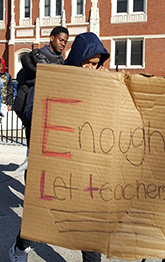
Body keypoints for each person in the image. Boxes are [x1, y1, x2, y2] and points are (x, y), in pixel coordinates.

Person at [9, 31, 105, 262]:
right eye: (87, 63)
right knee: (42, 217)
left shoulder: (102, 83)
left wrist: (103, 87)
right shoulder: (57, 78)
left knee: (89, 230)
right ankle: (20, 247)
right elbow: (33, 112)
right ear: (77, 58)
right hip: (55, 165)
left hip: (85, 168)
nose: (91, 68)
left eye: (96, 64)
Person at [13, 26, 69, 173]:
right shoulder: (37, 56)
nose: (63, 44)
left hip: (50, 114)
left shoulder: (61, 61)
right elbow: (23, 75)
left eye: (66, 42)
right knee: (32, 154)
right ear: (52, 38)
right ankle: (29, 190)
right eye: (61, 40)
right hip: (34, 110)